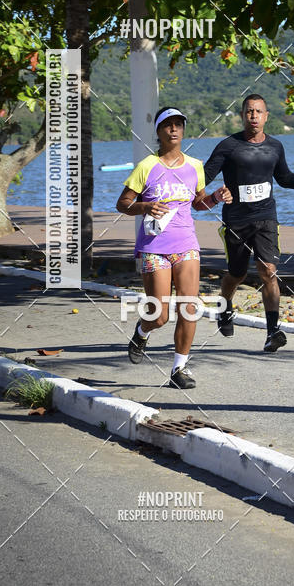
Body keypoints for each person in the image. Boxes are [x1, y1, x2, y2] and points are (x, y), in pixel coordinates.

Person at [116, 107, 231, 389]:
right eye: (168, 125)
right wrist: (144, 206)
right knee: (160, 314)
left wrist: (215, 197)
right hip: (154, 247)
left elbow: (198, 203)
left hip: (186, 244)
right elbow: (123, 203)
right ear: (158, 131)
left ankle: (179, 369)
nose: (174, 129)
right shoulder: (147, 166)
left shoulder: (194, 166)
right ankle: (142, 331)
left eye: (178, 124)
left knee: (189, 308)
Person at [203, 94, 294, 352]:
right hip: (236, 220)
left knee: (268, 270)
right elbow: (203, 177)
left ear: (266, 116)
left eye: (259, 111)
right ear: (242, 115)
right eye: (249, 111)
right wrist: (212, 195)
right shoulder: (228, 146)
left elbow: (285, 179)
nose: (254, 116)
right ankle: (224, 309)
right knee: (236, 274)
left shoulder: (275, 146)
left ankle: (273, 332)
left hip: (266, 217)